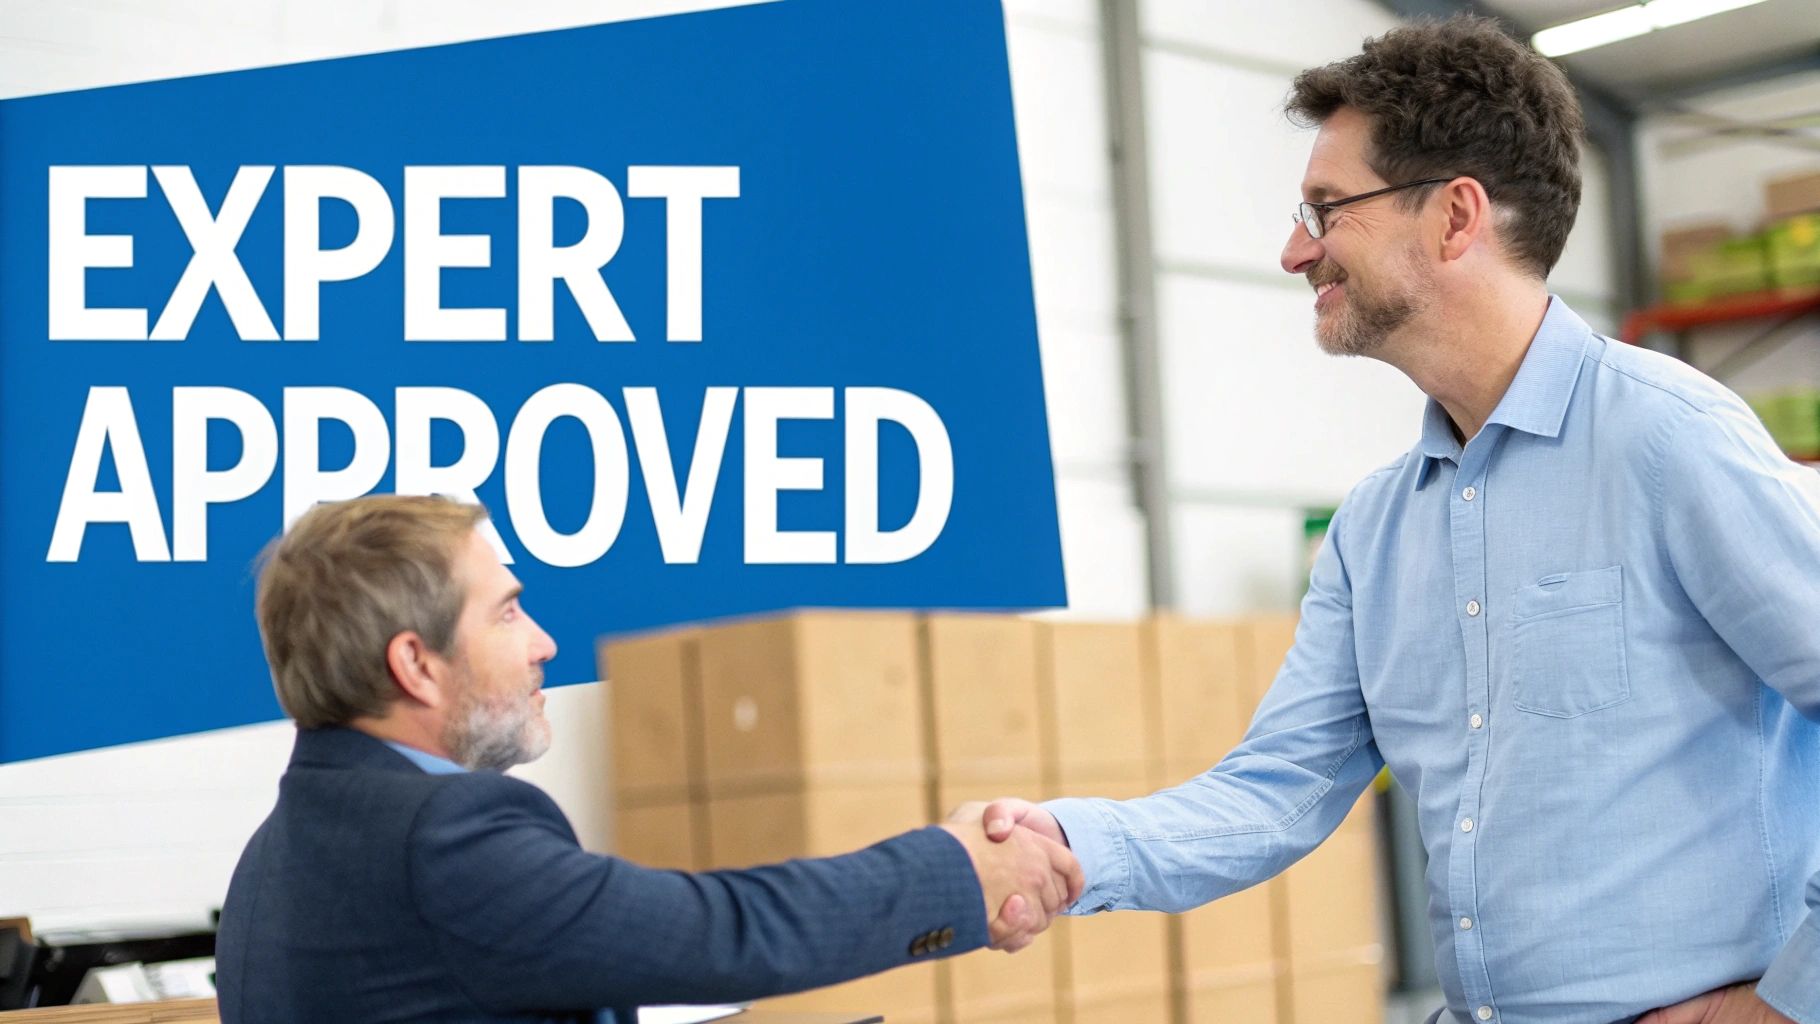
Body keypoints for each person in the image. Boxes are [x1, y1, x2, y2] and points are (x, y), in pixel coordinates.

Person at [960, 16, 1820, 1024]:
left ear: (1453, 216)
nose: (1293, 251)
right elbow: (1271, 793)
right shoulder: (1374, 532)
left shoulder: (1668, 442)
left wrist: (1786, 1002)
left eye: (1326, 209)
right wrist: (1064, 845)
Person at [215, 494, 1081, 1024]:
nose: (546, 642)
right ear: (415, 663)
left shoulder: (274, 852)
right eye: (509, 613)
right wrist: (957, 870)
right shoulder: (444, 837)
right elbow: (724, 931)